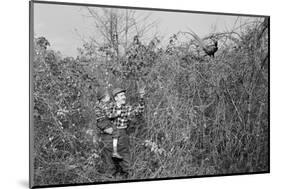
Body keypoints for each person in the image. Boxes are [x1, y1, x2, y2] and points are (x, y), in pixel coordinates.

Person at [109, 86, 146, 178]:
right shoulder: (110, 107)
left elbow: (139, 111)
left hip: (122, 133)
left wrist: (141, 98)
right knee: (111, 158)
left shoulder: (127, 108)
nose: (124, 97)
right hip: (110, 135)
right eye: (121, 95)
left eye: (124, 95)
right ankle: (113, 176)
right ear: (116, 98)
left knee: (124, 156)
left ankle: (127, 176)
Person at [94, 88, 123, 159]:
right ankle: (115, 151)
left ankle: (99, 150)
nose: (109, 97)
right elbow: (109, 115)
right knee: (116, 132)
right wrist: (117, 114)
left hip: (99, 123)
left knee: (106, 133)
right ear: (103, 99)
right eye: (107, 96)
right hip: (104, 121)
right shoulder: (104, 105)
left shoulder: (98, 104)